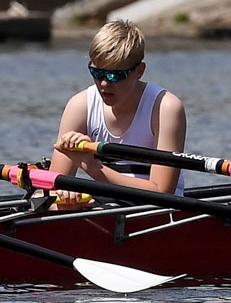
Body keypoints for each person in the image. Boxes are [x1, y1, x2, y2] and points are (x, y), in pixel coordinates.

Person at [50, 20, 188, 200]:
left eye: (115, 75)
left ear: (139, 71)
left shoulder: (165, 108)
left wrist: (91, 167)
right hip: (105, 208)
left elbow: (161, 192)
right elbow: (51, 189)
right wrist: (64, 197)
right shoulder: (80, 106)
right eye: (98, 73)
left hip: (155, 211)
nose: (105, 84)